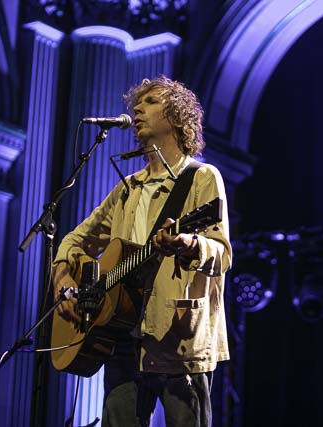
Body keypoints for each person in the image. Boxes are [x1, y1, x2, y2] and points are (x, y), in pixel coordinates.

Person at [52, 76, 231, 427]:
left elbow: (222, 254)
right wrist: (63, 284)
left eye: (150, 101)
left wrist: (189, 243)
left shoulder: (202, 177)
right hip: (121, 338)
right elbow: (73, 241)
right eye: (138, 102)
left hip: (178, 340)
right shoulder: (127, 189)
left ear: (177, 116)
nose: (136, 108)